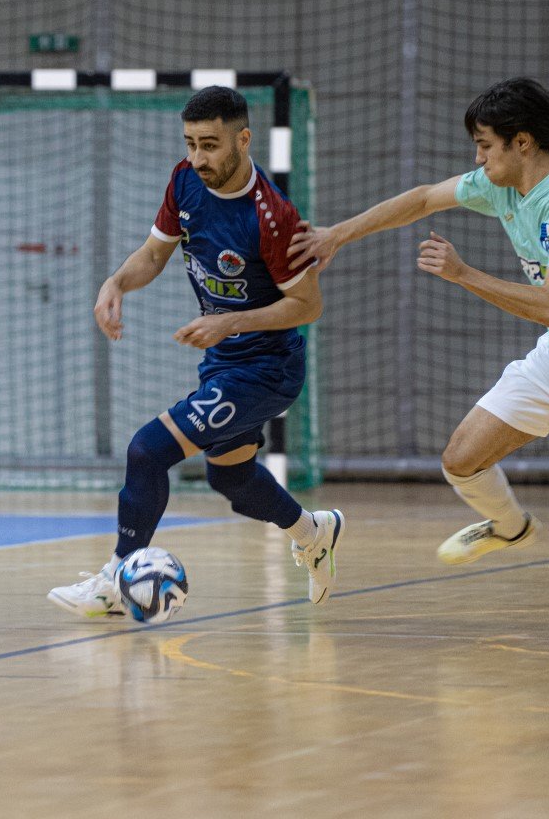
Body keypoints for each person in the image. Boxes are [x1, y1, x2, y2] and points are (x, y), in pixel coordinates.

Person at [289, 78, 549, 634]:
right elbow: (424, 198)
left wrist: (462, 274)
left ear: (522, 143)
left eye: (485, 145)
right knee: (461, 457)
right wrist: (338, 234)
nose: (477, 159)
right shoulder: (502, 186)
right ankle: (510, 526)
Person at [48, 86, 342, 618]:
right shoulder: (184, 181)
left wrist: (231, 320)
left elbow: (307, 305)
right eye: (190, 144)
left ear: (243, 139)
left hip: (266, 369)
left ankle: (115, 579)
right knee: (229, 478)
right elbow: (155, 253)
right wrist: (115, 283)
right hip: (225, 363)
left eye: (210, 145)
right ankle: (314, 531)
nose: (197, 158)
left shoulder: (273, 218)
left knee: (148, 449)